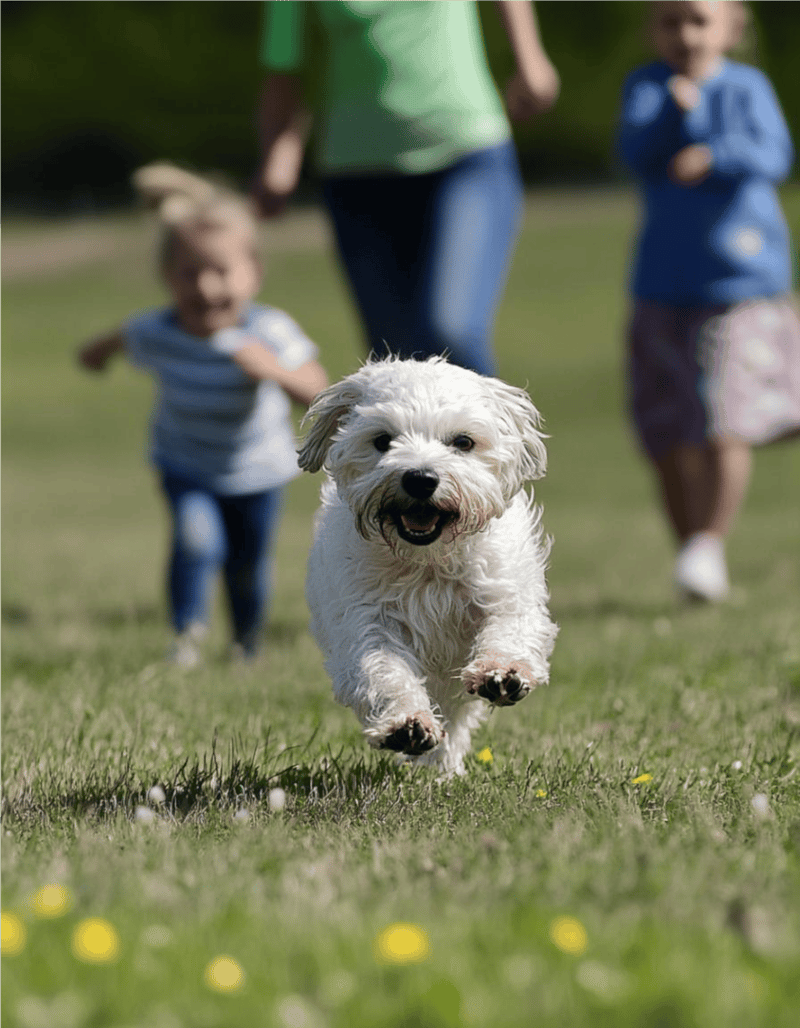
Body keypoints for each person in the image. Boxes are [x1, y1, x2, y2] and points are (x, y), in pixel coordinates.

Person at [78, 163, 328, 665]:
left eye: (221, 272)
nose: (206, 288)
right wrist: (98, 355)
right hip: (186, 464)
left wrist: (274, 371)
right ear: (166, 278)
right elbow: (106, 345)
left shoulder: (270, 331)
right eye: (189, 273)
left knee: (247, 562)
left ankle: (246, 646)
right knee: (196, 542)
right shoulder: (158, 331)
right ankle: (187, 638)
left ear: (253, 272)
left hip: (259, 470)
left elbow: (320, 392)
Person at [253, 0, 559, 376]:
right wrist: (279, 156)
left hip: (464, 155)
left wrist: (529, 55)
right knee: (393, 359)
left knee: (453, 332)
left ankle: (496, 418)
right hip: (357, 179)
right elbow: (283, 66)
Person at [618, 0, 800, 602]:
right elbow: (635, 154)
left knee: (726, 417)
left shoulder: (746, 88)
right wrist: (674, 111)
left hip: (738, 284)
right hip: (661, 286)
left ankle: (710, 541)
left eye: (699, 20)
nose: (685, 34)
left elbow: (774, 155)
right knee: (666, 426)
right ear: (653, 29)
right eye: (670, 22)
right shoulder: (647, 89)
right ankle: (693, 552)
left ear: (731, 28)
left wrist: (713, 148)